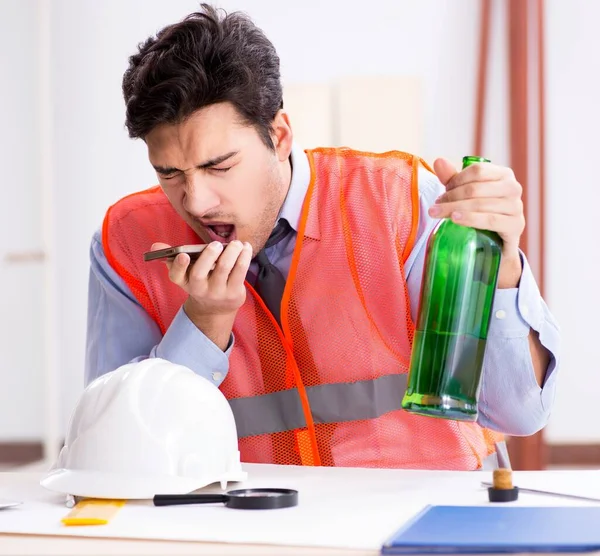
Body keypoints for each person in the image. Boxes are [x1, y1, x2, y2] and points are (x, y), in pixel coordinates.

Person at [85, 3, 560, 470]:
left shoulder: (401, 203)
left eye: (219, 165)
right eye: (170, 173)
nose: (196, 201)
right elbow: (111, 450)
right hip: (251, 530)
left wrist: (504, 268)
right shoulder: (127, 244)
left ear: (280, 135)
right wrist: (203, 327)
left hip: (427, 520)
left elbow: (518, 413)